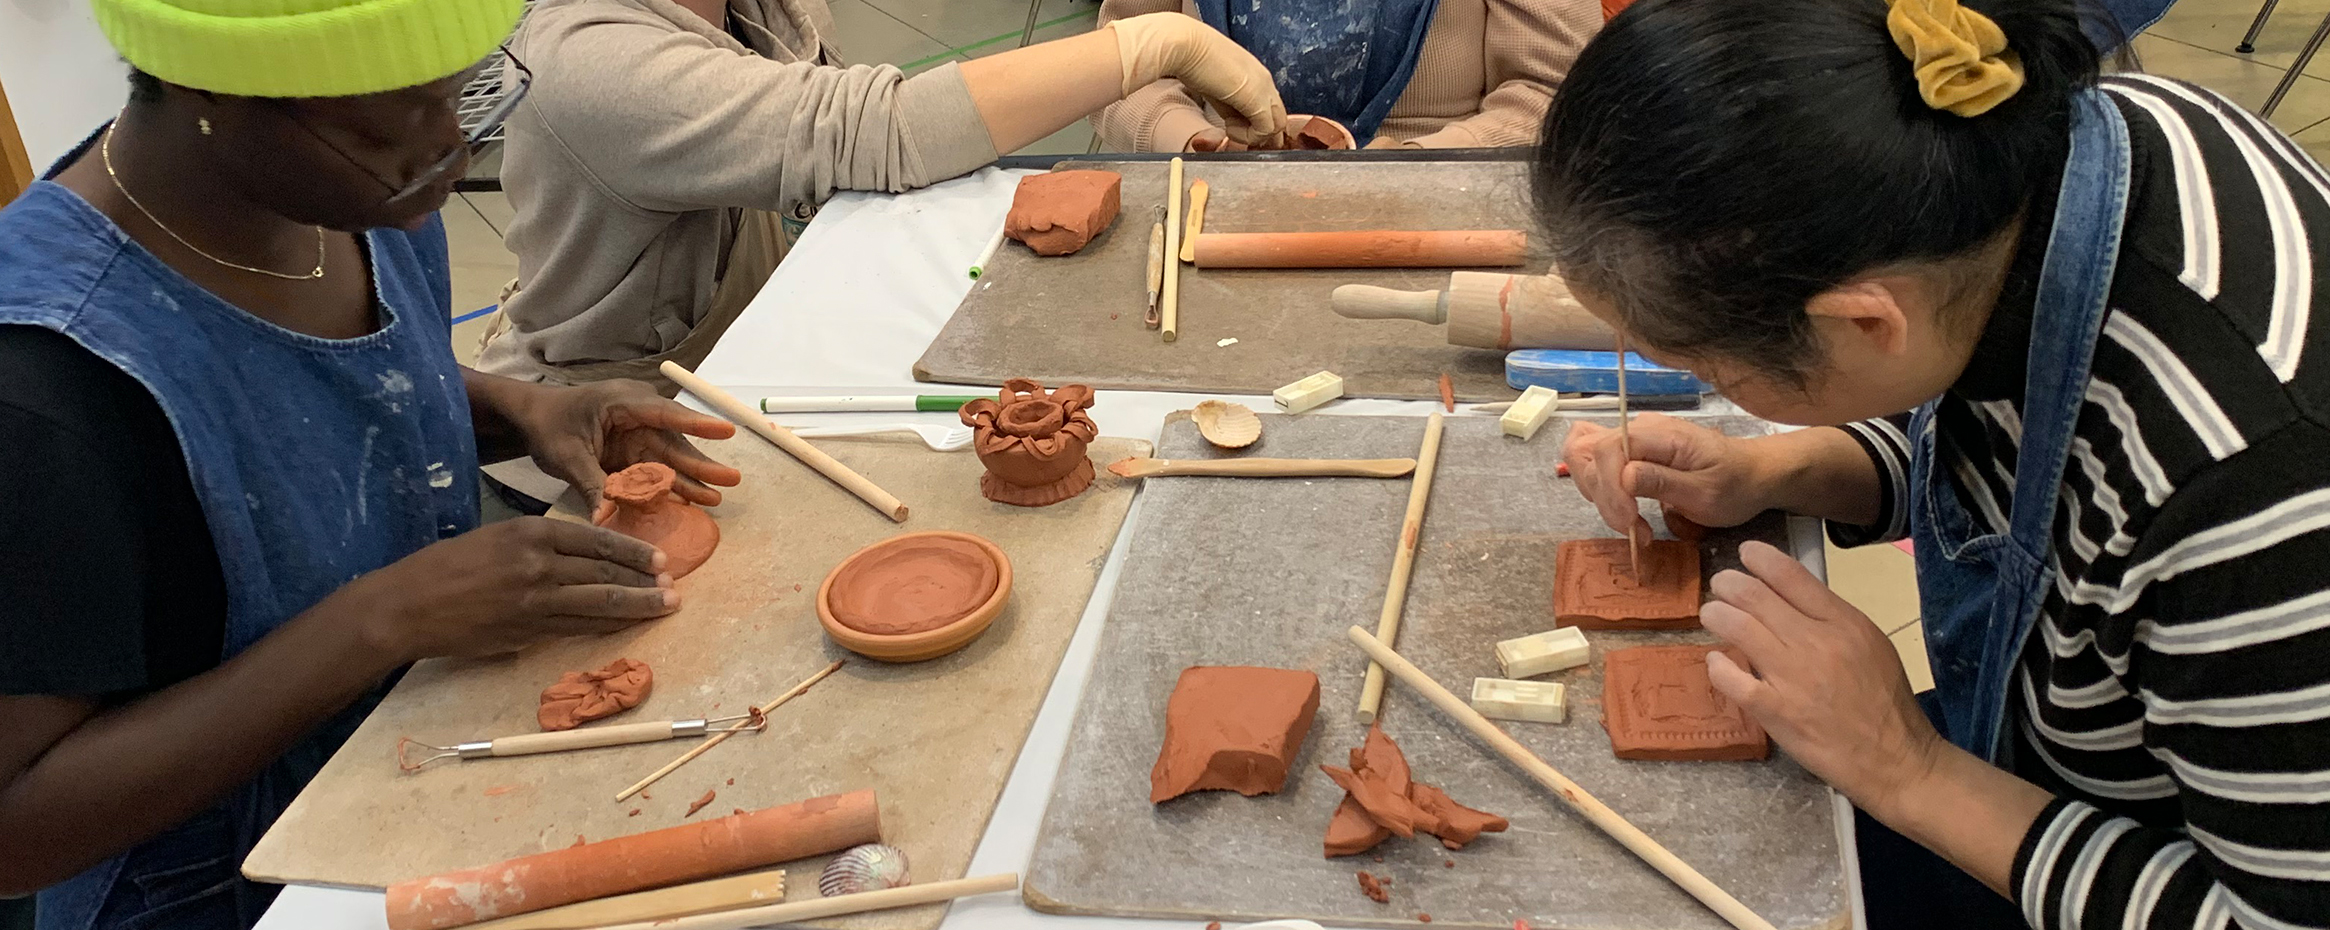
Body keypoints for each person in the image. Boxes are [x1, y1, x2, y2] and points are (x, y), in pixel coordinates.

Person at [1538, 0, 2330, 927]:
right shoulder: (2021, 167)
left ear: (1860, 319)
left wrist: (1909, 770)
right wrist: (1792, 469)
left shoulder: (2282, 508)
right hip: (2131, 766)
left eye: (1694, 363)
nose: (1680, 378)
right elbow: (2019, 421)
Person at [0, 1, 744, 927]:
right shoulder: (43, 389)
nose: (451, 148)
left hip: (414, 766)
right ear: (214, 93)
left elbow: (325, 392)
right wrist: (383, 619)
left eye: (464, 91)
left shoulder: (353, 192)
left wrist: (527, 408)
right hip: (232, 891)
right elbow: (17, 831)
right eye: (400, 114)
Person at [472, 0, 1288, 390]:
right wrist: (1151, 45)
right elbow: (882, 132)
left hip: (742, 356)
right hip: (603, 421)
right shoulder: (587, 60)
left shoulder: (752, 8)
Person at [1095, 0, 1603, 152]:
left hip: (1439, 206)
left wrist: (1425, 161)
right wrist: (1194, 141)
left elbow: (1558, 95)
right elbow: (1117, 75)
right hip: (1209, 197)